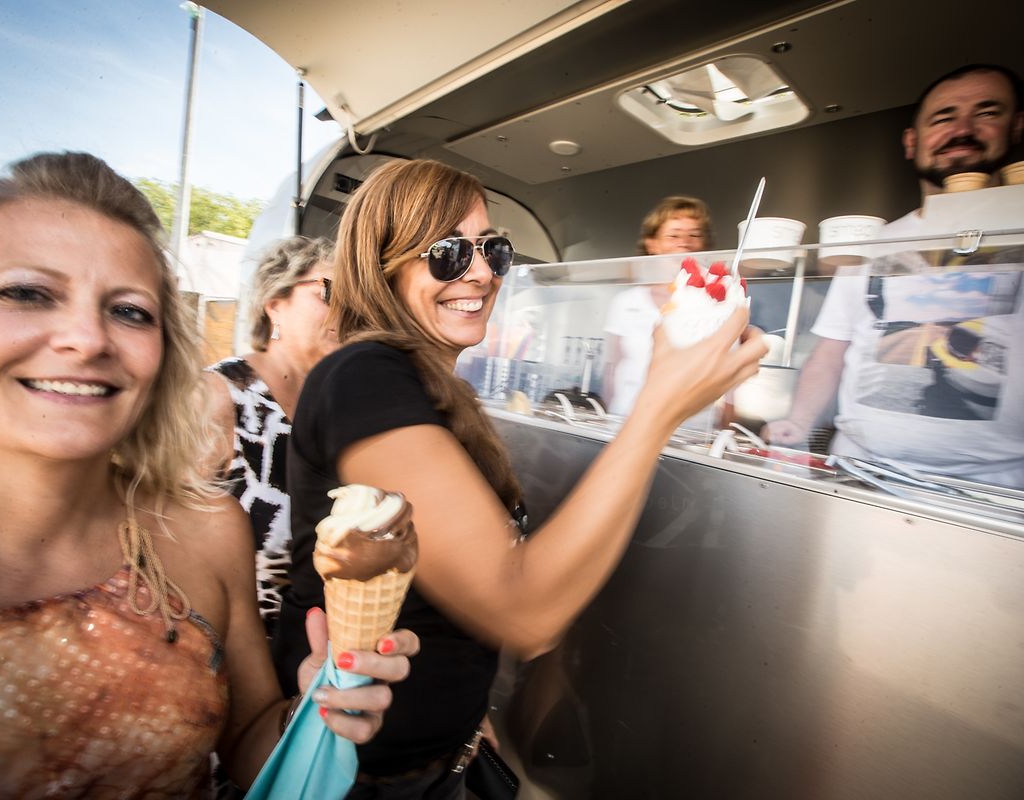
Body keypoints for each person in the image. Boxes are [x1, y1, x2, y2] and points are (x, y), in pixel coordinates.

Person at [0, 152, 416, 799]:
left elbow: (247, 742)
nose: (87, 339)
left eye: (129, 311)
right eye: (26, 293)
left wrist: (314, 710)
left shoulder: (206, 531)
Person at [276, 159, 766, 797]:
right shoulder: (363, 377)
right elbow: (525, 610)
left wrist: (463, 717)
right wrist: (660, 407)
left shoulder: (435, 390)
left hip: (438, 763)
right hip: (362, 781)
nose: (481, 272)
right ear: (383, 268)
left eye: (492, 249)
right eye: (448, 253)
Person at [764, 64, 1024, 491]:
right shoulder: (873, 244)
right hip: (859, 469)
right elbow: (832, 349)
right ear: (912, 142)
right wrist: (799, 422)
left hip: (994, 488)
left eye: (987, 112)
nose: (962, 129)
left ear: (1016, 126)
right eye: (944, 117)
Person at [205, 236, 336, 644]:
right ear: (275, 303)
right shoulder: (219, 393)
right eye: (329, 292)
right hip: (234, 649)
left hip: (317, 648)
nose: (349, 309)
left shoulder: (339, 403)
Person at [602, 196, 730, 425]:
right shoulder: (626, 302)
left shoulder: (718, 300)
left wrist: (726, 427)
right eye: (674, 235)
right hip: (627, 422)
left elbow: (730, 373)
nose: (685, 242)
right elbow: (611, 368)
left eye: (694, 235)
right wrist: (608, 418)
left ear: (704, 244)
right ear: (652, 244)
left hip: (691, 430)